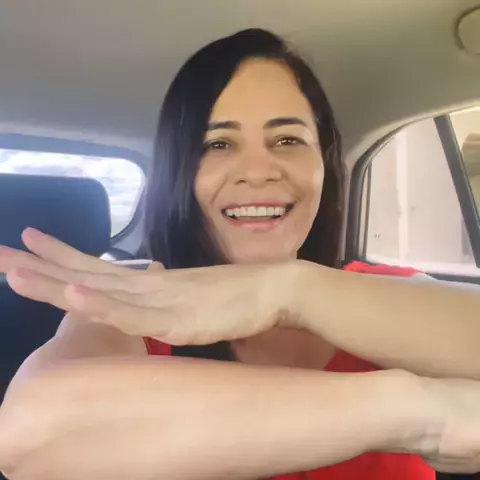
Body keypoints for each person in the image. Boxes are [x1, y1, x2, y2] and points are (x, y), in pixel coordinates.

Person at [1, 28, 480, 480]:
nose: (257, 170)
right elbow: (28, 436)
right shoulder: (129, 306)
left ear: (323, 163)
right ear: (182, 174)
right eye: (219, 143)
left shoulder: (385, 290)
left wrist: (291, 291)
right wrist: (411, 411)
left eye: (287, 140)